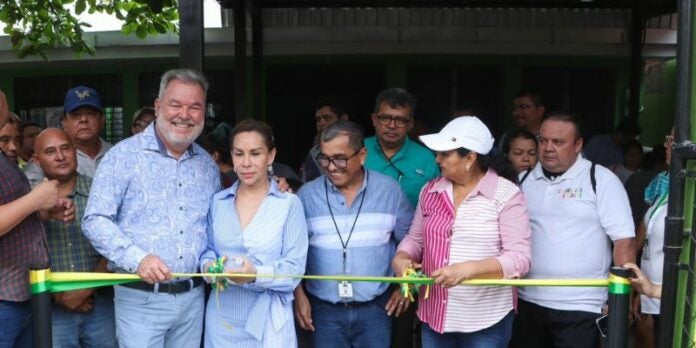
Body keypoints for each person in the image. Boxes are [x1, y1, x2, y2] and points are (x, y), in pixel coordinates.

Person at [82, 69, 221, 348]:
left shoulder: (207, 165)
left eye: (195, 107)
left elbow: (215, 226)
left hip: (193, 300)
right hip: (140, 300)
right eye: (176, 104)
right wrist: (139, 259)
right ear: (158, 106)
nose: (185, 114)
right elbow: (95, 219)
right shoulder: (123, 156)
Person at [392, 116, 531, 347]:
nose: (437, 159)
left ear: (470, 158)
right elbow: (415, 239)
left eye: (445, 154)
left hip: (486, 320)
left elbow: (519, 259)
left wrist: (468, 270)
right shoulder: (431, 190)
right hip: (435, 317)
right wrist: (402, 257)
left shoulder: (506, 194)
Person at [510, 112, 636, 348]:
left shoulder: (600, 180)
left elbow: (624, 242)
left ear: (578, 145)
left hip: (582, 306)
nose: (548, 148)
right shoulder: (523, 180)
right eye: (543, 140)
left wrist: (621, 299)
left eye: (558, 142)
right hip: (527, 302)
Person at [294, 121, 414, 348]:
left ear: (362, 155)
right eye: (325, 158)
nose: (331, 167)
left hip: (376, 309)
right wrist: (299, 295)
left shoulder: (389, 191)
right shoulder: (306, 196)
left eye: (340, 158)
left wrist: (405, 286)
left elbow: (411, 241)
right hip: (323, 311)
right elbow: (292, 253)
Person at [200, 119, 308, 347]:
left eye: (255, 154)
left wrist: (255, 274)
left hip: (270, 320)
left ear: (271, 156)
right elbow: (206, 250)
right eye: (239, 154)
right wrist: (209, 268)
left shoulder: (288, 204)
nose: (246, 163)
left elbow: (294, 270)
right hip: (222, 320)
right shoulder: (218, 202)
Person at [0, 89, 74, 348]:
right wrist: (35, 199)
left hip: (22, 295)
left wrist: (42, 210)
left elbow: (11, 212)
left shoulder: (3, 161)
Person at [34, 128, 116, 347]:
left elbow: (117, 246)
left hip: (100, 306)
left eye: (65, 148)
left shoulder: (100, 191)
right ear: (36, 159)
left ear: (75, 151)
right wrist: (59, 296)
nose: (60, 157)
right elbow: (22, 255)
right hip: (51, 309)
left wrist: (84, 290)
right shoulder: (30, 201)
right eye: (50, 151)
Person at [23, 86, 113, 186]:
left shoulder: (117, 154)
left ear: (102, 120)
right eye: (76, 115)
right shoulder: (47, 158)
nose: (83, 119)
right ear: (64, 122)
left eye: (90, 113)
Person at [365, 88, 440, 208]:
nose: (392, 125)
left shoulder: (426, 158)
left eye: (400, 120)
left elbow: (437, 206)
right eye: (385, 118)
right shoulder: (356, 151)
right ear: (374, 119)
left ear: (410, 124)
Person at [299, 99, 349, 183]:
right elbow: (305, 183)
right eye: (318, 120)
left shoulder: (357, 148)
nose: (321, 123)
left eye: (327, 118)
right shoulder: (314, 152)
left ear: (343, 119)